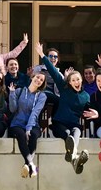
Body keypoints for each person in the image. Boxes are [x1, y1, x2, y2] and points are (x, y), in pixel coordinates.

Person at [36, 42, 90, 174]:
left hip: (74, 125)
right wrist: (42, 55)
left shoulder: (86, 96)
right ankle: (74, 156)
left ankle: (73, 157)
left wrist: (95, 113)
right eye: (73, 80)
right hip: (59, 124)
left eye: (78, 79)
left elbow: (93, 108)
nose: (76, 82)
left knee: (76, 131)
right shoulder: (64, 88)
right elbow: (53, 72)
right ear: (69, 82)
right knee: (68, 135)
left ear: (81, 80)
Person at [8, 71, 47, 178]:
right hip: (17, 124)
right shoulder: (19, 91)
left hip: (33, 125)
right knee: (21, 135)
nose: (39, 80)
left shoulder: (42, 96)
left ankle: (27, 165)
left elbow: (35, 112)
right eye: (37, 77)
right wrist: (12, 93)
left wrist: (29, 128)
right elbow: (12, 109)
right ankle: (32, 165)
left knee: (33, 135)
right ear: (32, 77)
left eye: (41, 80)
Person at [32, 47, 63, 114]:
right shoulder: (38, 69)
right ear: (46, 57)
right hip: (39, 92)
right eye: (51, 56)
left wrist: (66, 78)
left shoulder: (59, 74)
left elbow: (63, 87)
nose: (53, 58)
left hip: (53, 95)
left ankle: (54, 121)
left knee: (60, 101)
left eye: (55, 56)